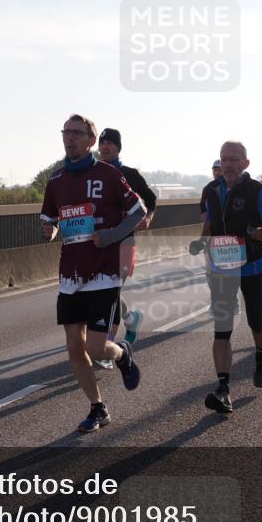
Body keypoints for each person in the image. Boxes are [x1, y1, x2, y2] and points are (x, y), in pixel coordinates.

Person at [41, 115, 145, 433]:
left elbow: (138, 210)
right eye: (66, 132)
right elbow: (50, 222)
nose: (69, 138)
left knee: (96, 348)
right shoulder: (56, 182)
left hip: (103, 273)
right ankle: (97, 407)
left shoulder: (108, 175)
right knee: (75, 345)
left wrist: (113, 235)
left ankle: (122, 354)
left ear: (90, 140)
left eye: (76, 133)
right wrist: (49, 229)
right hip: (71, 274)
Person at [192, 140, 262, 414]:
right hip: (222, 269)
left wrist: (252, 232)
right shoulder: (211, 190)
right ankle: (223, 389)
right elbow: (209, 221)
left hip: (252, 267)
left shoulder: (258, 191)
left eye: (234, 159)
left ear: (245, 163)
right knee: (222, 328)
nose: (228, 164)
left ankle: (260, 354)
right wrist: (203, 243)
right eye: (224, 159)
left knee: (255, 321)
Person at [97, 127, 155, 354]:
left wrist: (148, 217)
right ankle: (131, 318)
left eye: (110, 143)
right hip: (100, 242)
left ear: (118, 148)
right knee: (104, 292)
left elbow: (150, 199)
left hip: (124, 240)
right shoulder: (94, 173)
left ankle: (107, 346)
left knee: (110, 292)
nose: (105, 147)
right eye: (102, 144)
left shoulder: (130, 174)